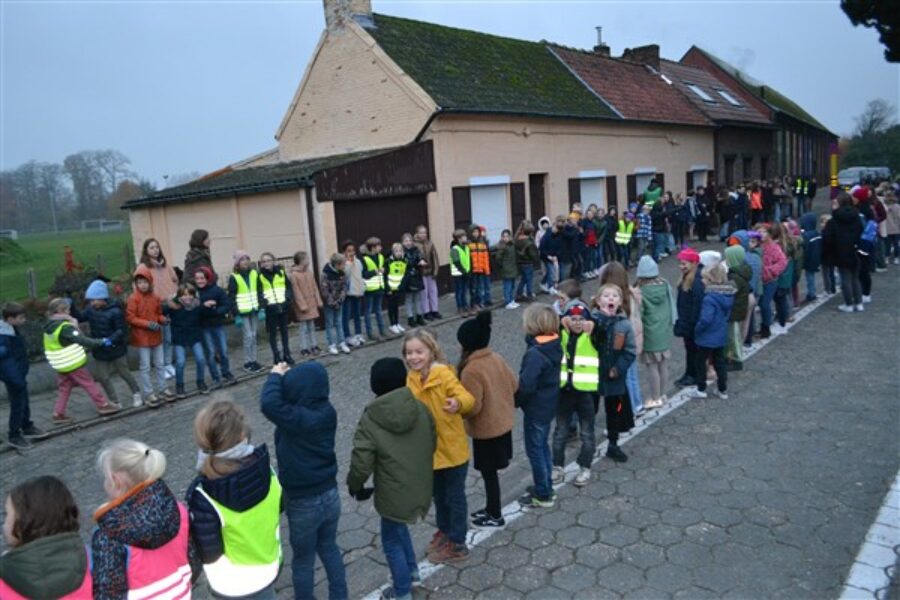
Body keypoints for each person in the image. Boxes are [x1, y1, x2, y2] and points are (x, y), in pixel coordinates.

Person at [347, 358, 435, 600]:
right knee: (400, 529)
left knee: (391, 540)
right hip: (420, 484)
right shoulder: (420, 407)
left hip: (392, 492)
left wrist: (355, 485)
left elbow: (361, 460)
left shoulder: (371, 418)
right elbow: (432, 439)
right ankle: (413, 573)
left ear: (374, 387)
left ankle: (402, 590)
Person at [260, 361, 348, 599]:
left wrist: (275, 376)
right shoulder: (327, 411)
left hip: (303, 501)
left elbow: (269, 403)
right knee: (329, 547)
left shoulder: (297, 418)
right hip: (330, 495)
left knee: (303, 560)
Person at [185, 400, 282, 599]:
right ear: (243, 435)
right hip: (269, 566)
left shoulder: (203, 496)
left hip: (232, 584)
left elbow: (209, 554)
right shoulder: (268, 472)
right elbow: (280, 506)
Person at [403, 329, 475, 563]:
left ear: (431, 351)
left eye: (419, 352)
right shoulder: (411, 378)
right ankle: (445, 531)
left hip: (452, 451)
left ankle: (458, 543)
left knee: (454, 498)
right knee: (438, 497)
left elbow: (468, 399)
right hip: (428, 453)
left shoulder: (443, 374)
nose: (413, 357)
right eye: (409, 353)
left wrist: (458, 403)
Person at [92, 438, 196, 599]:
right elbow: (193, 558)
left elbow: (107, 593)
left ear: (116, 481)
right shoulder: (178, 511)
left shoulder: (108, 534)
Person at [456, 311, 517, 526]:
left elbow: (473, 406)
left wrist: (458, 411)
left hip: (487, 430)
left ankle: (495, 514)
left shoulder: (471, 369)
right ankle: (492, 508)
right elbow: (514, 384)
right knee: (491, 474)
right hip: (503, 424)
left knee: (489, 474)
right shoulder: (496, 358)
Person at [0, 476, 92, 599]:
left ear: (23, 524)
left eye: (7, 514)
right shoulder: (86, 557)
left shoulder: (4, 578)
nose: (4, 522)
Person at [514, 304, 562, 508]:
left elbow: (526, 385)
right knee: (542, 446)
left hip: (536, 408)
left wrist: (515, 400)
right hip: (549, 404)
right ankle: (546, 484)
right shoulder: (554, 344)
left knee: (535, 449)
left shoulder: (535, 353)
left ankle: (543, 493)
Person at [43, 297, 119, 423]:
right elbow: (83, 340)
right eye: (67, 310)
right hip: (71, 362)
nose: (69, 312)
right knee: (88, 382)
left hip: (60, 363)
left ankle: (58, 413)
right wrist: (102, 341)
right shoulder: (65, 327)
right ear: (62, 311)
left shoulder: (49, 326)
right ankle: (103, 405)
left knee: (64, 387)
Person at [553, 304, 600, 487]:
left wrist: (594, 324)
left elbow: (604, 332)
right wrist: (559, 321)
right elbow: (542, 330)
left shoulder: (593, 336)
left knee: (587, 432)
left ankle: (585, 467)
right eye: (573, 319)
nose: (578, 323)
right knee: (560, 432)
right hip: (564, 392)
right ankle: (557, 466)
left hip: (586, 393)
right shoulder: (561, 334)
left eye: (582, 319)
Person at [591, 283, 636, 462]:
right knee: (589, 411)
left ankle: (613, 443)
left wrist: (618, 368)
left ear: (620, 302)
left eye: (614, 296)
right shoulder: (591, 322)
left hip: (614, 379)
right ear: (598, 301)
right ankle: (589, 443)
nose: (610, 298)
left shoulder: (624, 325)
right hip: (593, 377)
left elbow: (630, 350)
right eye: (606, 296)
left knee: (614, 411)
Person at [81, 279, 141, 408]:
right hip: (100, 349)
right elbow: (80, 317)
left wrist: (110, 340)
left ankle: (136, 393)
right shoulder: (90, 310)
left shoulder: (115, 311)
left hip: (116, 348)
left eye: (94, 300)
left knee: (124, 373)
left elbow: (121, 330)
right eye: (90, 301)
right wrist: (70, 303)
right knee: (103, 377)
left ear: (102, 298)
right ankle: (115, 401)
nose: (91, 303)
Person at [599, 261, 644, 416]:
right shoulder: (631, 295)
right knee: (632, 375)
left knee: (623, 378)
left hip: (620, 345)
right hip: (633, 341)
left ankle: (629, 408)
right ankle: (637, 404)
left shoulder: (613, 301)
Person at [0, 303, 46, 449]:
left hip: (18, 373)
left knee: (23, 402)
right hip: (14, 377)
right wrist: (17, 380)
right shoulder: (4, 336)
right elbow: (6, 361)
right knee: (17, 404)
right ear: (10, 319)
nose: (24, 320)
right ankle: (14, 434)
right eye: (21, 317)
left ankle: (26, 425)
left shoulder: (11, 330)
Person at [634, 256, 675, 409]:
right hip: (663, 331)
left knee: (652, 367)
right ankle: (663, 394)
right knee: (663, 365)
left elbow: (640, 314)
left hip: (649, 333)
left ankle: (655, 397)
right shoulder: (665, 285)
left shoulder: (640, 291)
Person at [127, 270, 173, 407]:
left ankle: (163, 388)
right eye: (139, 282)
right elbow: (130, 317)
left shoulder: (155, 297)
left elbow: (158, 314)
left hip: (156, 335)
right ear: (136, 284)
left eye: (145, 282)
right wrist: (147, 324)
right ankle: (148, 393)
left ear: (150, 282)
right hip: (142, 338)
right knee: (145, 366)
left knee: (160, 364)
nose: (143, 285)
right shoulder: (133, 298)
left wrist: (163, 319)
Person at [138, 238, 180, 378]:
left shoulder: (165, 264)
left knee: (168, 337)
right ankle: (160, 367)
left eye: (157, 247)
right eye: (151, 247)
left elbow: (175, 279)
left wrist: (174, 292)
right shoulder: (143, 267)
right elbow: (138, 288)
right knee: (158, 339)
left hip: (169, 304)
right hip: (155, 307)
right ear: (146, 250)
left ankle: (168, 363)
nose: (155, 250)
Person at [691, 264, 735, 399]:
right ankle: (722, 390)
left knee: (700, 361)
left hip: (707, 336)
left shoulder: (709, 299)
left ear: (711, 280)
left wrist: (697, 329)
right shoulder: (728, 295)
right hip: (720, 334)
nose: (702, 281)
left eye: (704, 279)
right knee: (719, 362)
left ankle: (701, 388)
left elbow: (706, 319)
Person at [165, 283, 210, 397]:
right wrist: (169, 302)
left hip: (194, 336)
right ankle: (179, 385)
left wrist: (208, 306)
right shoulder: (174, 306)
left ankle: (200, 381)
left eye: (190, 294)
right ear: (180, 296)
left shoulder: (196, 305)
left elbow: (205, 314)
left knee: (200, 359)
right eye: (184, 295)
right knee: (180, 362)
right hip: (179, 337)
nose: (187, 297)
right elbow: (161, 311)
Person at [194, 267, 236, 387]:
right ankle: (216, 377)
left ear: (207, 278)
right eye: (197, 278)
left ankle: (226, 372)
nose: (199, 281)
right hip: (204, 327)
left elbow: (227, 304)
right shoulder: (195, 293)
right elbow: (193, 310)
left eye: (202, 278)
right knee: (211, 352)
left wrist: (217, 311)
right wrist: (204, 306)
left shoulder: (217, 290)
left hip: (217, 324)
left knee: (223, 350)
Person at [825, 192, 865, 312]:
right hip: (855, 249)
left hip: (841, 251)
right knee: (855, 277)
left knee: (845, 278)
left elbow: (828, 237)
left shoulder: (834, 219)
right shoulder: (856, 216)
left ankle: (848, 303)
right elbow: (861, 231)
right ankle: (859, 302)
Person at [673, 249, 704, 387]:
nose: (681, 266)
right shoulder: (688, 278)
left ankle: (693, 375)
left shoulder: (696, 282)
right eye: (680, 263)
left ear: (693, 263)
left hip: (691, 324)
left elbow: (697, 305)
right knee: (690, 350)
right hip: (687, 321)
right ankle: (691, 373)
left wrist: (691, 324)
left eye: (684, 263)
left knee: (693, 351)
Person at [228, 250, 263, 373]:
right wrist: (236, 314)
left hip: (253, 309)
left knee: (253, 336)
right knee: (248, 336)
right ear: (237, 263)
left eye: (247, 259)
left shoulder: (254, 273)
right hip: (242, 312)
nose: (245, 261)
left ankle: (254, 360)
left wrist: (261, 307)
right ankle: (247, 362)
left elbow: (259, 291)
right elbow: (232, 296)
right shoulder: (234, 277)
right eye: (242, 259)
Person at [258, 252, 295, 365]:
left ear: (273, 261)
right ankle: (276, 356)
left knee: (284, 332)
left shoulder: (281, 273)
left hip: (282, 306)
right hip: (270, 308)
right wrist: (264, 305)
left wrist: (288, 298)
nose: (266, 263)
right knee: (273, 334)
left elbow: (288, 286)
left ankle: (287, 354)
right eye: (264, 261)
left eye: (268, 260)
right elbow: (259, 292)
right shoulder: (259, 276)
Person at [289, 250, 323, 356]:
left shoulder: (309, 272)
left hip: (311, 302)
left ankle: (314, 345)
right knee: (303, 327)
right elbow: (296, 291)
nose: (308, 260)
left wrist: (318, 300)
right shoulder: (294, 275)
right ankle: (303, 347)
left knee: (311, 326)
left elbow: (315, 287)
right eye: (306, 258)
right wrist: (302, 305)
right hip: (302, 305)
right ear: (301, 261)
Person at [724, 245, 751, 371]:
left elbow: (727, 291)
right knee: (732, 335)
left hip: (734, 311)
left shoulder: (735, 277)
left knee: (733, 336)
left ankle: (736, 359)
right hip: (737, 309)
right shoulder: (741, 272)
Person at [758, 224, 788, 336]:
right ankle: (765, 325)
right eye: (759, 232)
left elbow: (782, 262)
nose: (761, 234)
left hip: (770, 280)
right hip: (759, 280)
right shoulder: (756, 246)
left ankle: (766, 326)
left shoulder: (773, 247)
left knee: (765, 304)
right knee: (761, 303)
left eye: (764, 232)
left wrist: (769, 271)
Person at [321, 253, 351, 355]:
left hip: (339, 302)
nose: (344, 266)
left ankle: (342, 343)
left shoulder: (342, 273)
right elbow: (325, 290)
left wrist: (340, 300)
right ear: (337, 264)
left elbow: (345, 287)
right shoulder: (325, 274)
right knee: (329, 323)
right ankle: (331, 345)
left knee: (339, 322)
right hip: (329, 304)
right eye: (343, 264)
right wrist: (332, 302)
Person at [360, 238, 388, 341]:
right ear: (372, 248)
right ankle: (370, 333)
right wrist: (374, 271)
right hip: (369, 289)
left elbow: (384, 268)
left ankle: (382, 331)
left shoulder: (381, 256)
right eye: (378, 246)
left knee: (379, 311)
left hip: (379, 288)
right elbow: (363, 274)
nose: (381, 248)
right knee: (368, 312)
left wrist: (384, 270)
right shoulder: (364, 259)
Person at [413, 225, 443, 321]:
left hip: (430, 272)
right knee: (424, 293)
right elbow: (414, 259)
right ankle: (426, 312)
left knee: (433, 291)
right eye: (421, 232)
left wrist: (435, 271)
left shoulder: (430, 243)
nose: (423, 234)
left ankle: (434, 310)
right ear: (417, 234)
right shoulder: (414, 245)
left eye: (425, 232)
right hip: (421, 273)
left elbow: (435, 258)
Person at [342, 240, 366, 346]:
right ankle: (347, 336)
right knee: (346, 315)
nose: (351, 253)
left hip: (357, 291)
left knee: (357, 314)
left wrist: (362, 288)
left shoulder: (358, 261)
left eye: (353, 250)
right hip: (348, 293)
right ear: (344, 252)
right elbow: (346, 274)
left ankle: (358, 333)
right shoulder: (343, 262)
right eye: (349, 251)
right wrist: (349, 263)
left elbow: (359, 275)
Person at [401, 233, 426, 327]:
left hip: (417, 276)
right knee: (409, 298)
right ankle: (410, 318)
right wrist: (416, 262)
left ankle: (419, 316)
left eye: (410, 241)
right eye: (406, 241)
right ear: (403, 242)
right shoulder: (402, 252)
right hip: (408, 277)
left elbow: (420, 258)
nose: (408, 243)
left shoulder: (416, 250)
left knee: (418, 298)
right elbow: (407, 263)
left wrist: (422, 261)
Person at [384, 242, 408, 335]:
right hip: (390, 288)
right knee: (391, 306)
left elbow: (404, 274)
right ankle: (392, 324)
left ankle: (397, 323)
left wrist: (401, 286)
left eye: (400, 251)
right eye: (396, 251)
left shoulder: (404, 261)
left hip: (398, 288)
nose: (398, 253)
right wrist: (388, 288)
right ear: (393, 252)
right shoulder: (388, 261)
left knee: (396, 306)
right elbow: (385, 276)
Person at [468, 224, 492, 310]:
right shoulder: (469, 244)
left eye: (477, 232)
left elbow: (485, 258)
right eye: (474, 232)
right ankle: (474, 303)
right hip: (472, 270)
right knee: (473, 288)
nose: (476, 233)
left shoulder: (482, 244)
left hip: (481, 269)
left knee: (479, 287)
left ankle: (479, 302)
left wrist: (486, 269)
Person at [800, 213, 823, 302]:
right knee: (810, 275)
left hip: (809, 259)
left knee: (809, 276)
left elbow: (804, 248)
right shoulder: (817, 233)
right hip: (816, 257)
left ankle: (811, 293)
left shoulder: (806, 235)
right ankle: (812, 292)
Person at [515, 221, 540, 302]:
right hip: (528, 263)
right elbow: (533, 255)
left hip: (520, 263)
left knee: (523, 279)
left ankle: (519, 294)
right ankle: (529, 295)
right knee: (529, 280)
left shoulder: (517, 239)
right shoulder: (529, 242)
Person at [495, 228, 519, 309]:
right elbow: (498, 258)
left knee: (512, 286)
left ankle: (512, 300)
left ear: (510, 237)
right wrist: (503, 266)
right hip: (506, 269)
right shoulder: (502, 246)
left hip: (513, 268)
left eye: (507, 236)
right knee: (507, 286)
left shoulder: (512, 245)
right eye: (504, 236)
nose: (505, 238)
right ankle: (507, 301)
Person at [450, 229, 472, 316]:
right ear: (459, 239)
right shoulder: (455, 249)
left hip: (465, 272)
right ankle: (460, 307)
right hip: (458, 273)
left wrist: (469, 271)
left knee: (464, 291)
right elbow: (456, 262)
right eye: (464, 237)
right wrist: (464, 271)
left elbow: (468, 260)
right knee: (459, 291)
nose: (466, 238)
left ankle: (465, 306)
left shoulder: (466, 247)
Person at [538, 218, 561, 294]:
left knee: (550, 272)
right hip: (546, 257)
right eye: (555, 228)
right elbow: (542, 248)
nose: (556, 230)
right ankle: (550, 287)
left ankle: (544, 283)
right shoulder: (546, 236)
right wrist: (548, 256)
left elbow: (558, 247)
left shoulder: (557, 236)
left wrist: (555, 255)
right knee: (550, 271)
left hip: (553, 256)